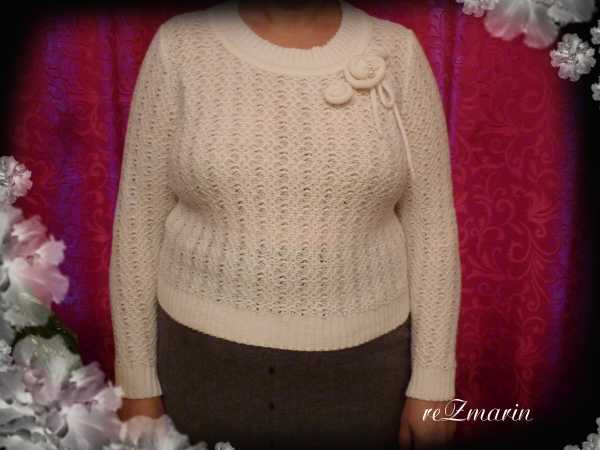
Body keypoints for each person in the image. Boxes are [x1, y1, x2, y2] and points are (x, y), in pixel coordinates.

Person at [108, 0, 462, 449]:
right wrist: (137, 385)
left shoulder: (397, 51)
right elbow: (138, 222)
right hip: (199, 365)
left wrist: (433, 383)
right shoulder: (180, 45)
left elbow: (431, 226)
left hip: (365, 372)